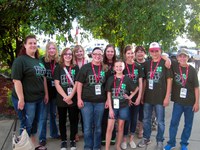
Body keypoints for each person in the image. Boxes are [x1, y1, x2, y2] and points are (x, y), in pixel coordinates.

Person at [11, 35, 48, 149]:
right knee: (27, 124)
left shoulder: (38, 60)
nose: (33, 45)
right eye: (30, 43)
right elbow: (16, 81)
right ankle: (24, 147)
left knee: (35, 124)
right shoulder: (20, 60)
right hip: (27, 100)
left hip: (38, 98)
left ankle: (33, 145)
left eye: (34, 43)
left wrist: (46, 94)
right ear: (25, 45)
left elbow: (43, 78)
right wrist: (21, 99)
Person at [138, 42, 172, 150]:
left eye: (157, 51)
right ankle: (146, 138)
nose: (155, 53)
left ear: (160, 51)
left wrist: (167, 97)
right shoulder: (147, 64)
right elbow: (145, 81)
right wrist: (142, 95)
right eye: (152, 51)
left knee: (160, 121)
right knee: (146, 119)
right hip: (148, 97)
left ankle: (159, 141)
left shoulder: (165, 63)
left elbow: (169, 80)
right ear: (149, 52)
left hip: (160, 98)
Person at [164, 49, 199, 150]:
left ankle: (184, 143)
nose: (183, 58)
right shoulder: (175, 66)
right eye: (181, 56)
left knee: (188, 125)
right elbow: (163, 55)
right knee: (174, 123)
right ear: (178, 58)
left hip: (190, 102)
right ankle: (171, 143)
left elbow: (196, 88)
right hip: (178, 102)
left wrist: (197, 102)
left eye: (185, 56)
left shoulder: (192, 70)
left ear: (188, 58)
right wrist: (167, 59)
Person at [76, 47, 107, 150]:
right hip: (87, 102)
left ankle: (96, 147)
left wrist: (107, 100)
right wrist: (79, 99)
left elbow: (108, 86)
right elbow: (79, 84)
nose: (97, 56)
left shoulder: (105, 68)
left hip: (100, 102)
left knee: (98, 126)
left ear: (102, 56)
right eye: (95, 54)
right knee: (88, 127)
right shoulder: (85, 68)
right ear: (91, 55)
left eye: (100, 54)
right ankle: (88, 147)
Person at [105, 60, 138, 150]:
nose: (119, 68)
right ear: (114, 68)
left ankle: (118, 146)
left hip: (124, 107)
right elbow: (108, 93)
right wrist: (110, 109)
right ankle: (107, 148)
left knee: (120, 127)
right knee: (109, 128)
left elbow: (136, 88)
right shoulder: (111, 79)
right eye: (117, 66)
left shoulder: (127, 79)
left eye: (121, 66)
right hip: (113, 107)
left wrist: (130, 97)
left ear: (123, 67)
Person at [54, 48, 79, 150]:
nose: (68, 56)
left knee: (74, 120)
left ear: (72, 56)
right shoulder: (58, 67)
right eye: (66, 54)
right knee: (62, 121)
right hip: (62, 99)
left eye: (70, 54)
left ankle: (72, 140)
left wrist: (70, 96)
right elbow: (57, 84)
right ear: (62, 56)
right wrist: (66, 97)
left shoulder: (76, 67)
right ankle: (63, 140)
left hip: (73, 99)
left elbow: (77, 83)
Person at [121, 45, 144, 149]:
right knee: (126, 119)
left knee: (134, 118)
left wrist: (139, 97)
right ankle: (124, 140)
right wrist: (127, 97)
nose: (130, 55)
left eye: (132, 53)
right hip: (124, 97)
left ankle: (131, 139)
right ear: (125, 54)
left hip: (135, 97)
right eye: (128, 53)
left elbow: (140, 83)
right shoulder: (122, 66)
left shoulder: (138, 66)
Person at [39, 42, 60, 146]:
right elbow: (42, 78)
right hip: (45, 93)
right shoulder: (42, 61)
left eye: (54, 48)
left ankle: (54, 133)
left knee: (53, 114)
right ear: (47, 50)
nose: (52, 50)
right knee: (43, 116)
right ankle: (42, 138)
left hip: (55, 93)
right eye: (50, 48)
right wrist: (46, 94)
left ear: (56, 50)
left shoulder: (58, 62)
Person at [101, 44, 117, 146]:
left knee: (112, 116)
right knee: (104, 117)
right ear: (105, 52)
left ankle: (113, 137)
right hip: (103, 94)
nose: (110, 53)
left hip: (115, 94)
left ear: (114, 53)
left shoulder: (118, 63)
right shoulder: (101, 63)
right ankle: (103, 137)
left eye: (112, 51)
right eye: (108, 51)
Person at [72, 45, 88, 141]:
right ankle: (75, 133)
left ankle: (85, 132)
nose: (79, 53)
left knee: (84, 115)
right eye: (77, 51)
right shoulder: (72, 63)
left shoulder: (88, 62)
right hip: (73, 90)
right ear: (74, 53)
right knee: (74, 114)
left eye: (81, 51)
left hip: (85, 91)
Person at [134, 46, 146, 139]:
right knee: (132, 112)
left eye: (141, 51)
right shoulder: (132, 63)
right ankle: (132, 129)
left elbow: (145, 81)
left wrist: (142, 94)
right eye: (138, 52)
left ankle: (141, 129)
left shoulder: (147, 63)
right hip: (132, 92)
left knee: (142, 112)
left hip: (144, 91)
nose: (140, 53)